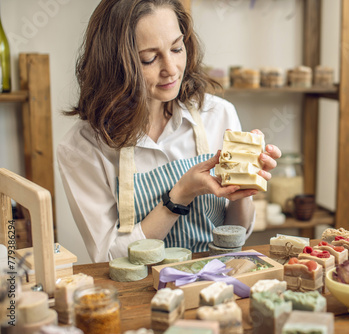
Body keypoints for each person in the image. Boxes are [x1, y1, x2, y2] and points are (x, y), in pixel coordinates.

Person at [57, 0, 281, 263]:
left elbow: (237, 235)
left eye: (176, 48)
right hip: (139, 294)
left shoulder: (218, 114)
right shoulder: (82, 147)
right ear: (114, 65)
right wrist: (180, 196)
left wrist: (243, 188)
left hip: (215, 284)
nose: (172, 69)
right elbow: (108, 257)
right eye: (149, 59)